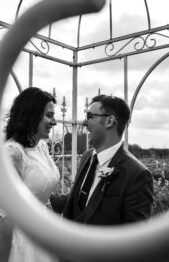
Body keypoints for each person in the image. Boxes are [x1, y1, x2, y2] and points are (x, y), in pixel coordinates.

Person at [0, 87, 60, 262]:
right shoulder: (12, 153)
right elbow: (7, 219)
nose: (54, 122)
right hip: (21, 242)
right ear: (32, 115)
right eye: (49, 115)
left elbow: (43, 199)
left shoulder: (42, 146)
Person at [50, 94, 153, 225]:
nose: (84, 123)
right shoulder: (87, 156)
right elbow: (79, 199)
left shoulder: (137, 175)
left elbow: (136, 235)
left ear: (109, 121)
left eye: (90, 116)